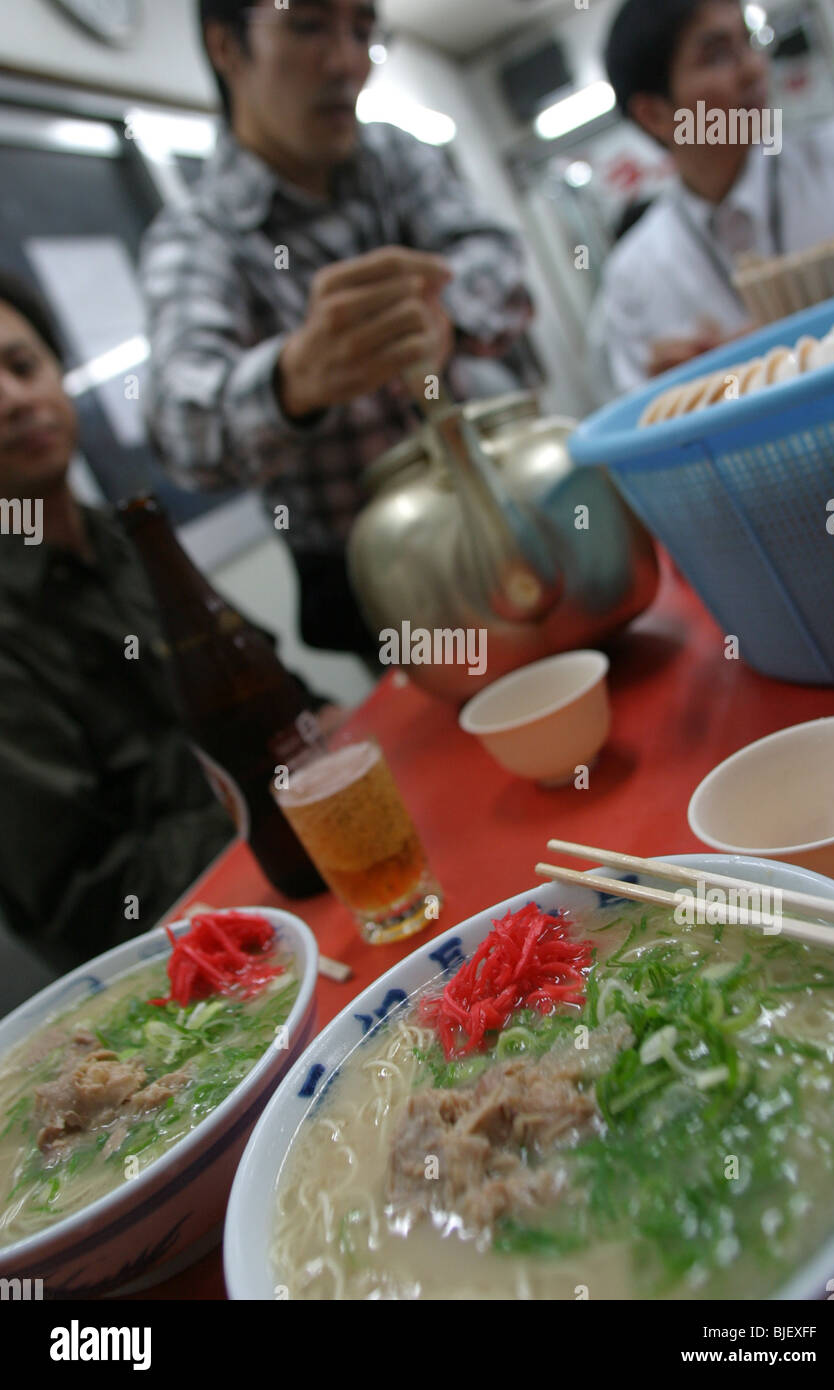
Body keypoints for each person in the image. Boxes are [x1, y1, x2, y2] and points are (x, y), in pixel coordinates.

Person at [139, 0, 535, 660]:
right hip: (375, 576)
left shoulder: (392, 158)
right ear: (227, 47)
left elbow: (497, 255)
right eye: (308, 25)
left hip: (500, 506)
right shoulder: (198, 238)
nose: (348, 61)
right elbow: (181, 425)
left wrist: (448, 313)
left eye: (362, 30)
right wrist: (293, 381)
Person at [0, 273, 323, 972]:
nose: (13, 398)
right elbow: (88, 897)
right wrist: (276, 789)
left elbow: (278, 687)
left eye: (22, 366)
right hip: (189, 961)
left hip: (308, 862)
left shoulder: (132, 542)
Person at [594, 0, 834, 394]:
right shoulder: (634, 277)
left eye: (749, 42)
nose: (754, 69)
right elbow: (650, 426)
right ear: (653, 113)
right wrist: (684, 390)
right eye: (718, 56)